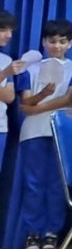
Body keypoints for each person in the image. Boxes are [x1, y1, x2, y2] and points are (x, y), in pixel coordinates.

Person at [16, 18, 72, 249]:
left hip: (63, 132)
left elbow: (70, 98)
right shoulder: (30, 69)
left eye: (62, 41)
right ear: (44, 42)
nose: (57, 46)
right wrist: (42, 94)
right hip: (34, 132)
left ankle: (52, 233)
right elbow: (26, 101)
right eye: (52, 41)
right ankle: (32, 234)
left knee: (57, 185)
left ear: (70, 44)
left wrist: (35, 108)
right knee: (34, 184)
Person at [0, 10, 26, 181]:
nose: (9, 35)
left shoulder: (6, 59)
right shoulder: (7, 67)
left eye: (11, 30)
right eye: (3, 29)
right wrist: (4, 74)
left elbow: (9, 96)